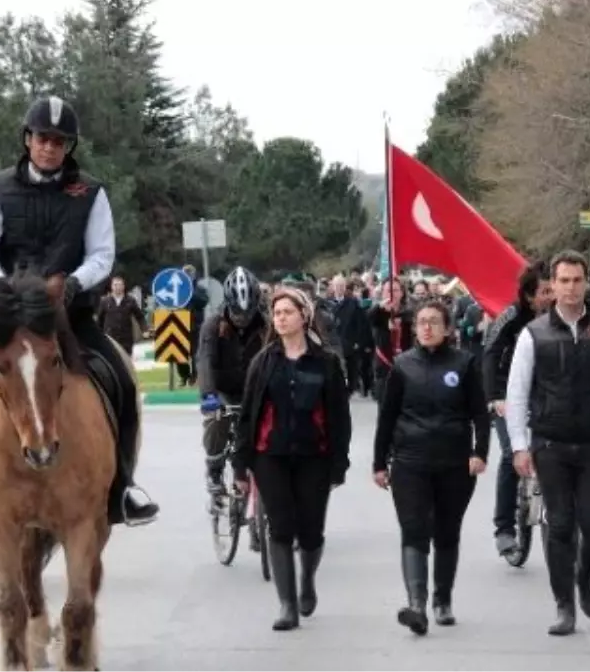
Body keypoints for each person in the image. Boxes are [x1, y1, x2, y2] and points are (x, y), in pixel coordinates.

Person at [0, 96, 159, 572]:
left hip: (68, 313)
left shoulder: (92, 193)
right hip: (8, 312)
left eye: (59, 142)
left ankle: (122, 486)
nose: (49, 147)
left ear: (68, 147)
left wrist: (75, 283)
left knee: (118, 378)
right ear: (28, 140)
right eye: (43, 138)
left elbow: (101, 254)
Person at [504, 250, 590, 636]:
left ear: (586, 282)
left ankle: (585, 574)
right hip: (550, 443)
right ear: (553, 286)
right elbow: (517, 393)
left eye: (577, 280)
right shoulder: (534, 334)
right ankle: (564, 606)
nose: (571, 288)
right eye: (564, 280)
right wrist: (518, 445)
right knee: (558, 526)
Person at [232, 287, 351, 632]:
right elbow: (248, 417)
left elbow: (339, 417)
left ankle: (307, 580)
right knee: (280, 528)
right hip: (271, 456)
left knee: (311, 531)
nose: (280, 318)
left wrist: (338, 463)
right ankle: (287, 604)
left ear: (304, 317)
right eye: (277, 313)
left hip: (315, 456)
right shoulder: (263, 362)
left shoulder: (326, 362)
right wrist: (241, 465)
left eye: (287, 312)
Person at [373, 301, 490, 635]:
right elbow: (387, 417)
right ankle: (417, 605)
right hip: (410, 461)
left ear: (447, 328)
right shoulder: (402, 366)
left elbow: (479, 414)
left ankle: (442, 600)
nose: (426, 328)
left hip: (454, 462)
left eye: (434, 322)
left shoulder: (464, 364)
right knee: (413, 530)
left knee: (446, 531)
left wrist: (479, 451)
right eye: (421, 322)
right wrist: (379, 462)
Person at [482, 260, 553, 557]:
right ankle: (504, 528)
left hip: (545, 396)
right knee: (513, 453)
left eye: (554, 289)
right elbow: (489, 356)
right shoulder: (510, 318)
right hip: (507, 396)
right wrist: (494, 397)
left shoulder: (562, 319)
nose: (551, 296)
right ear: (529, 296)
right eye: (545, 291)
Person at [197, 267, 268, 496]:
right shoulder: (212, 325)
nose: (243, 319)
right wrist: (209, 395)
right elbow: (205, 360)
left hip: (255, 389)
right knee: (217, 420)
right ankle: (215, 470)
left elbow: (277, 356)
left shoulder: (267, 325)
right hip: (223, 389)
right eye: (237, 313)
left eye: (248, 314)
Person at [369, 278, 414, 403]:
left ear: (402, 293)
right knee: (384, 405)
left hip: (406, 363)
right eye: (388, 290)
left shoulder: (409, 312)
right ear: (383, 292)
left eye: (395, 290)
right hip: (384, 364)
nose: (392, 294)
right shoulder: (378, 312)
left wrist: (400, 322)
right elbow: (369, 318)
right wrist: (382, 310)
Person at [96, 275, 149, 355]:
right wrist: (98, 336)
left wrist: (144, 330)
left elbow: (140, 317)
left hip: (126, 338)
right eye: (115, 285)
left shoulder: (130, 300)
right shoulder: (105, 301)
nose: (118, 287)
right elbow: (100, 320)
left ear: (123, 286)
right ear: (111, 286)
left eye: (120, 285)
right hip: (110, 338)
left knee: (126, 361)